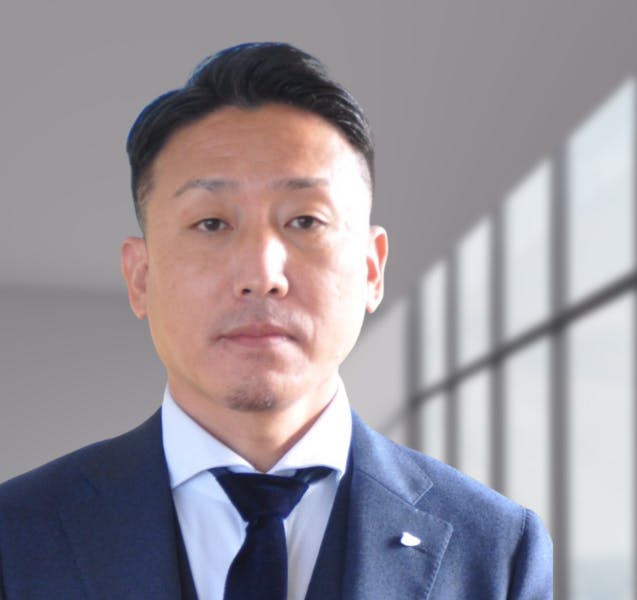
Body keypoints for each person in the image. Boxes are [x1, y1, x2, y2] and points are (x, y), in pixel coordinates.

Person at [0, 42, 552, 600]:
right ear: (140, 275)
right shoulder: (15, 536)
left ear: (371, 268)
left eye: (305, 221)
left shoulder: (496, 552)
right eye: (212, 223)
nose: (261, 275)